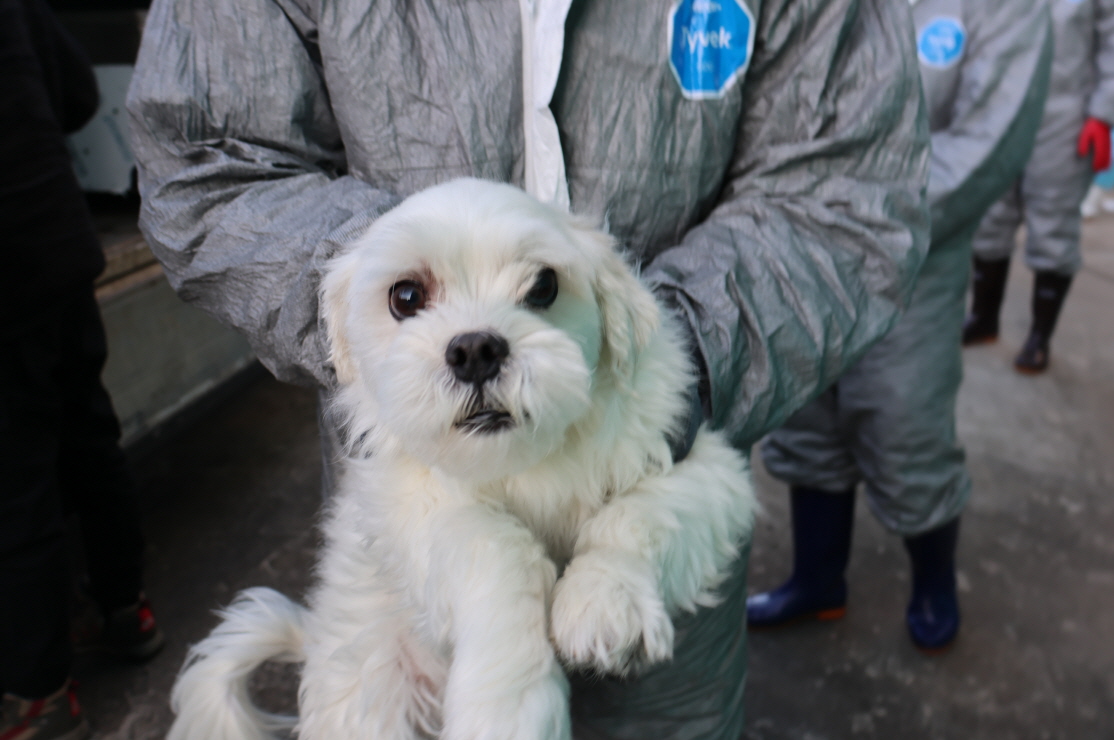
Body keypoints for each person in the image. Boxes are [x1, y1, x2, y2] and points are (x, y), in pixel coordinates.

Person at [126, 0, 930, 736]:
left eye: (539, 289)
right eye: (413, 298)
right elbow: (206, 152)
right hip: (402, 562)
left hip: (664, 602)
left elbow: (849, 190)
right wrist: (381, 276)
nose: (475, 339)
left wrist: (669, 367)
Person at [752, 0, 1052, 653]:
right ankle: (817, 581)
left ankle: (933, 585)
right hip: (800, 246)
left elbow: (988, 141)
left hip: (914, 258)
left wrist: (860, 217)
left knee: (904, 422)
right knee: (807, 414)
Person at [0, 2, 164, 739]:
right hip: (57, 251)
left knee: (17, 482)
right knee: (89, 435)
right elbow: (78, 96)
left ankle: (38, 691)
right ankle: (127, 610)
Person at [965, 0, 1114, 373]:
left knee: (1053, 228)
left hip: (1063, 118)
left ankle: (1039, 338)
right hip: (998, 111)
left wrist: (1102, 113)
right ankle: (984, 319)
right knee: (989, 216)